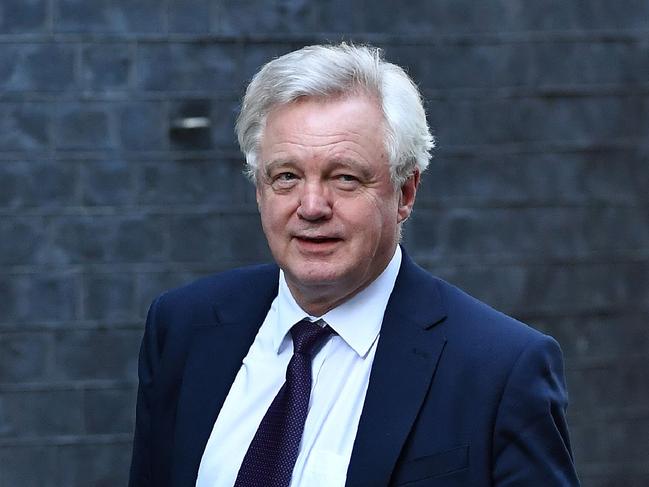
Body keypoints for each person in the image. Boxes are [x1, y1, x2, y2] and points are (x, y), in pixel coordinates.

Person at [129, 43, 580, 486]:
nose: (311, 206)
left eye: (345, 177)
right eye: (286, 176)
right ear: (259, 191)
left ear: (405, 193)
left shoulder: (499, 368)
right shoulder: (183, 327)